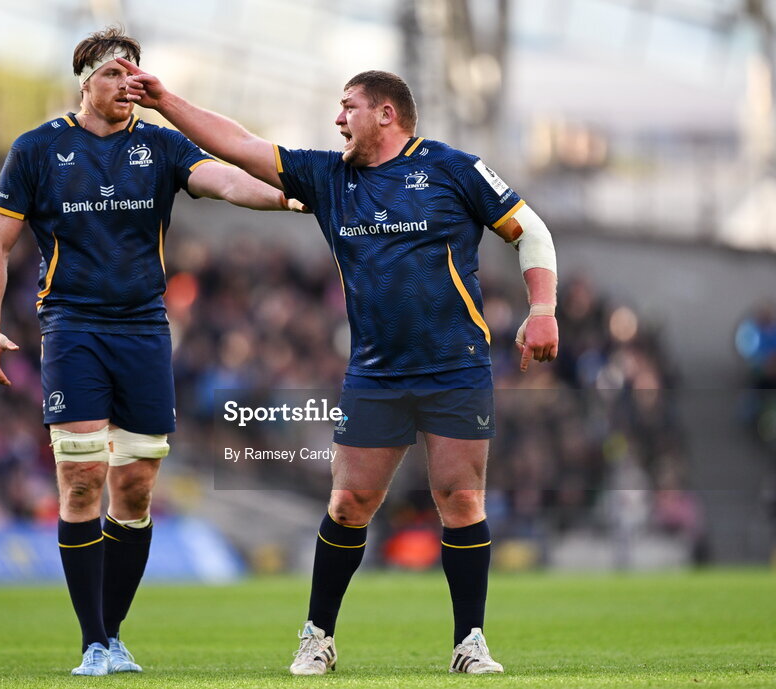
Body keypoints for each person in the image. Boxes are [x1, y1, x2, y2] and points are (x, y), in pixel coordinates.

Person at [122, 60, 558, 675]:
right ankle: (317, 636)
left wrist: (543, 309)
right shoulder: (329, 176)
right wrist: (166, 101)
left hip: (454, 368)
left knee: (460, 500)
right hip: (376, 372)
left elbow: (530, 230)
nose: (336, 118)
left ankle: (470, 643)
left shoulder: (454, 169)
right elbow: (241, 146)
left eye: (347, 106)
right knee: (350, 502)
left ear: (386, 113)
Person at [0, 27, 303, 677]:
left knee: (134, 486)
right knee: (82, 474)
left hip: (145, 331)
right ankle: (93, 640)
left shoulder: (161, 145)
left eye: (133, 77)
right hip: (73, 328)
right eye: (112, 77)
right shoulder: (38, 150)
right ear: (84, 81)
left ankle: (111, 632)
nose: (125, 88)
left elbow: (229, 182)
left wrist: (292, 195)